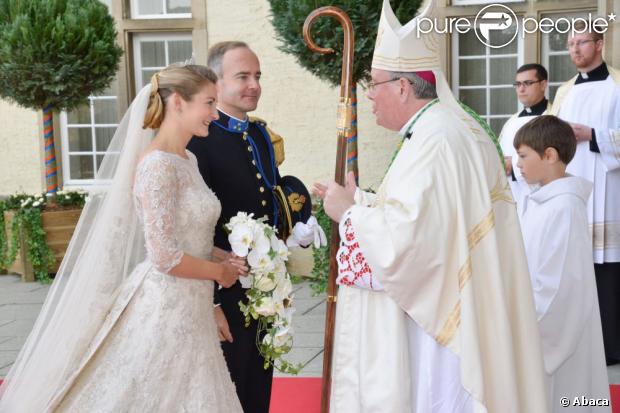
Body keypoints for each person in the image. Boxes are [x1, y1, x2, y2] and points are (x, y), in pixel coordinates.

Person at [313, 0, 549, 411]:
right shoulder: (446, 127)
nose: (369, 96)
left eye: (376, 84)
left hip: (446, 322)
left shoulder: (435, 139)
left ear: (403, 87)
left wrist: (348, 214)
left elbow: (410, 242)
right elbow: (429, 215)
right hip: (468, 296)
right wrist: (363, 202)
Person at [0, 64, 246, 412]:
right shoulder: (157, 165)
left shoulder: (187, 159)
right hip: (164, 308)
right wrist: (220, 274)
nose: (214, 113)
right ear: (178, 102)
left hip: (191, 306)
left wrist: (222, 258)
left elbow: (189, 236)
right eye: (208, 103)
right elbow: (165, 257)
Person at [187, 41, 300, 413]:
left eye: (257, 76)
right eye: (242, 77)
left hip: (265, 283)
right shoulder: (199, 140)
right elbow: (194, 227)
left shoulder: (258, 135)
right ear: (215, 83)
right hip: (224, 281)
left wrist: (299, 218)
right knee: (228, 386)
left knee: (259, 379)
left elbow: (270, 192)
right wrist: (211, 301)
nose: (254, 85)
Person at [515, 115, 610, 412]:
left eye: (522, 155)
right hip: (535, 319)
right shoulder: (541, 201)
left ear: (550, 155)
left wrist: (526, 335)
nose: (517, 163)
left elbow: (559, 287)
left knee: (567, 400)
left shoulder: (565, 208)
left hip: (555, 336)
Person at [549, 21, 620, 365]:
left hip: (610, 192)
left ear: (600, 43)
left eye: (582, 42)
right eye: (570, 44)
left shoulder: (618, 84)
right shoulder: (564, 92)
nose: (575, 49)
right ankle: (575, 346)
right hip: (571, 192)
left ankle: (610, 347)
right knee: (573, 269)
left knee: (608, 271)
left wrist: (593, 135)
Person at [499, 63, 550, 205]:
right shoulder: (511, 121)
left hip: (540, 196)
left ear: (543, 84)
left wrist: (513, 165)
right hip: (511, 195)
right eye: (518, 84)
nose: (521, 89)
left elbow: (551, 158)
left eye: (527, 83)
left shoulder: (553, 117)